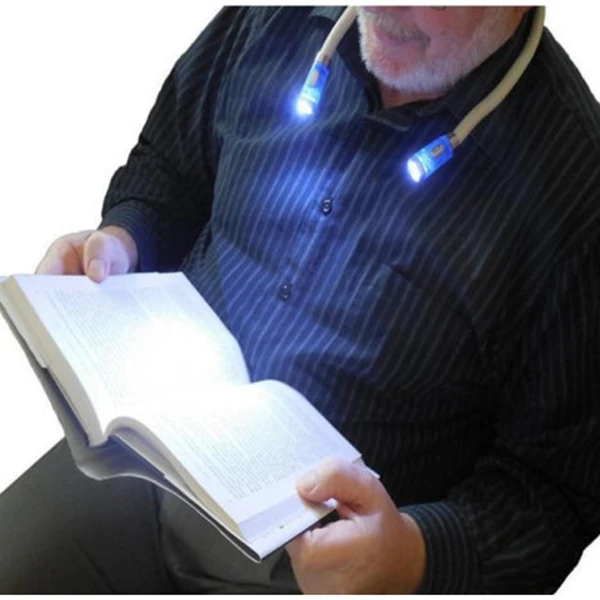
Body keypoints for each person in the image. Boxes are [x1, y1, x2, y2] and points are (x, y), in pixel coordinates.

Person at [1, 5, 599, 594]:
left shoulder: (576, 193)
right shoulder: (271, 19)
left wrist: (415, 557)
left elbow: (558, 490)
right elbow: (170, 165)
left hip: (319, 566)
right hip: (142, 461)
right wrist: (124, 237)